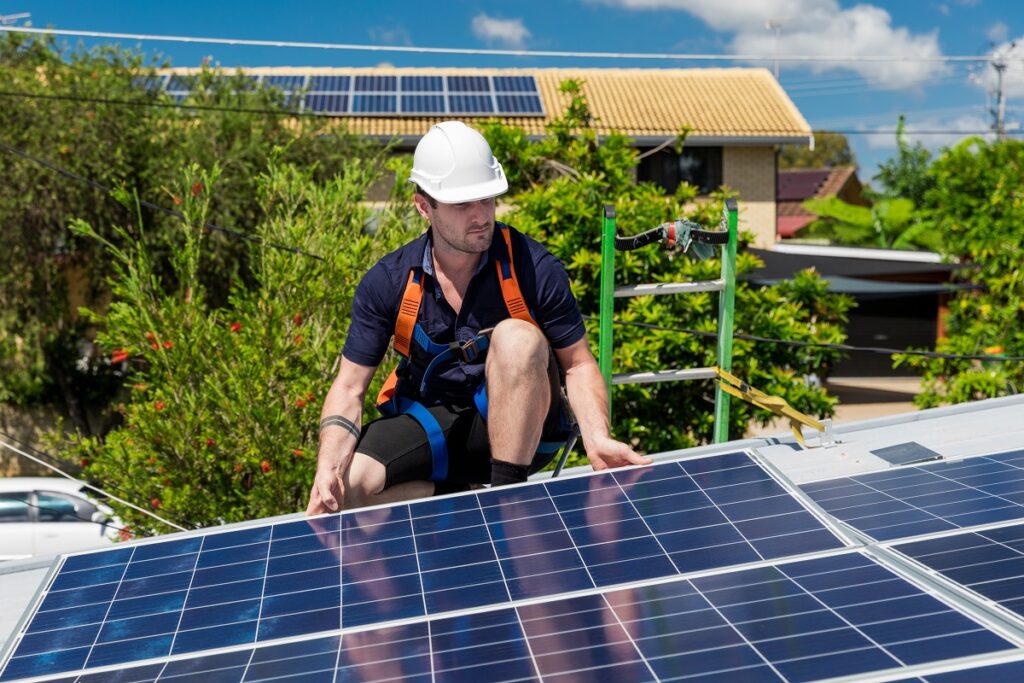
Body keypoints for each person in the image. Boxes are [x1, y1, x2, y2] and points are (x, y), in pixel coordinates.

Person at [306, 121, 649, 515]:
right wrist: (328, 467)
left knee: (517, 338)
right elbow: (349, 388)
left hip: (528, 424)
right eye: (462, 204)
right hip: (440, 420)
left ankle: (507, 502)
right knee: (349, 487)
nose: (481, 215)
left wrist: (597, 438)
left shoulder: (533, 267)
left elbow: (578, 364)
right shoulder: (389, 281)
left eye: (487, 199)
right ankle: (462, 500)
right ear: (424, 206)